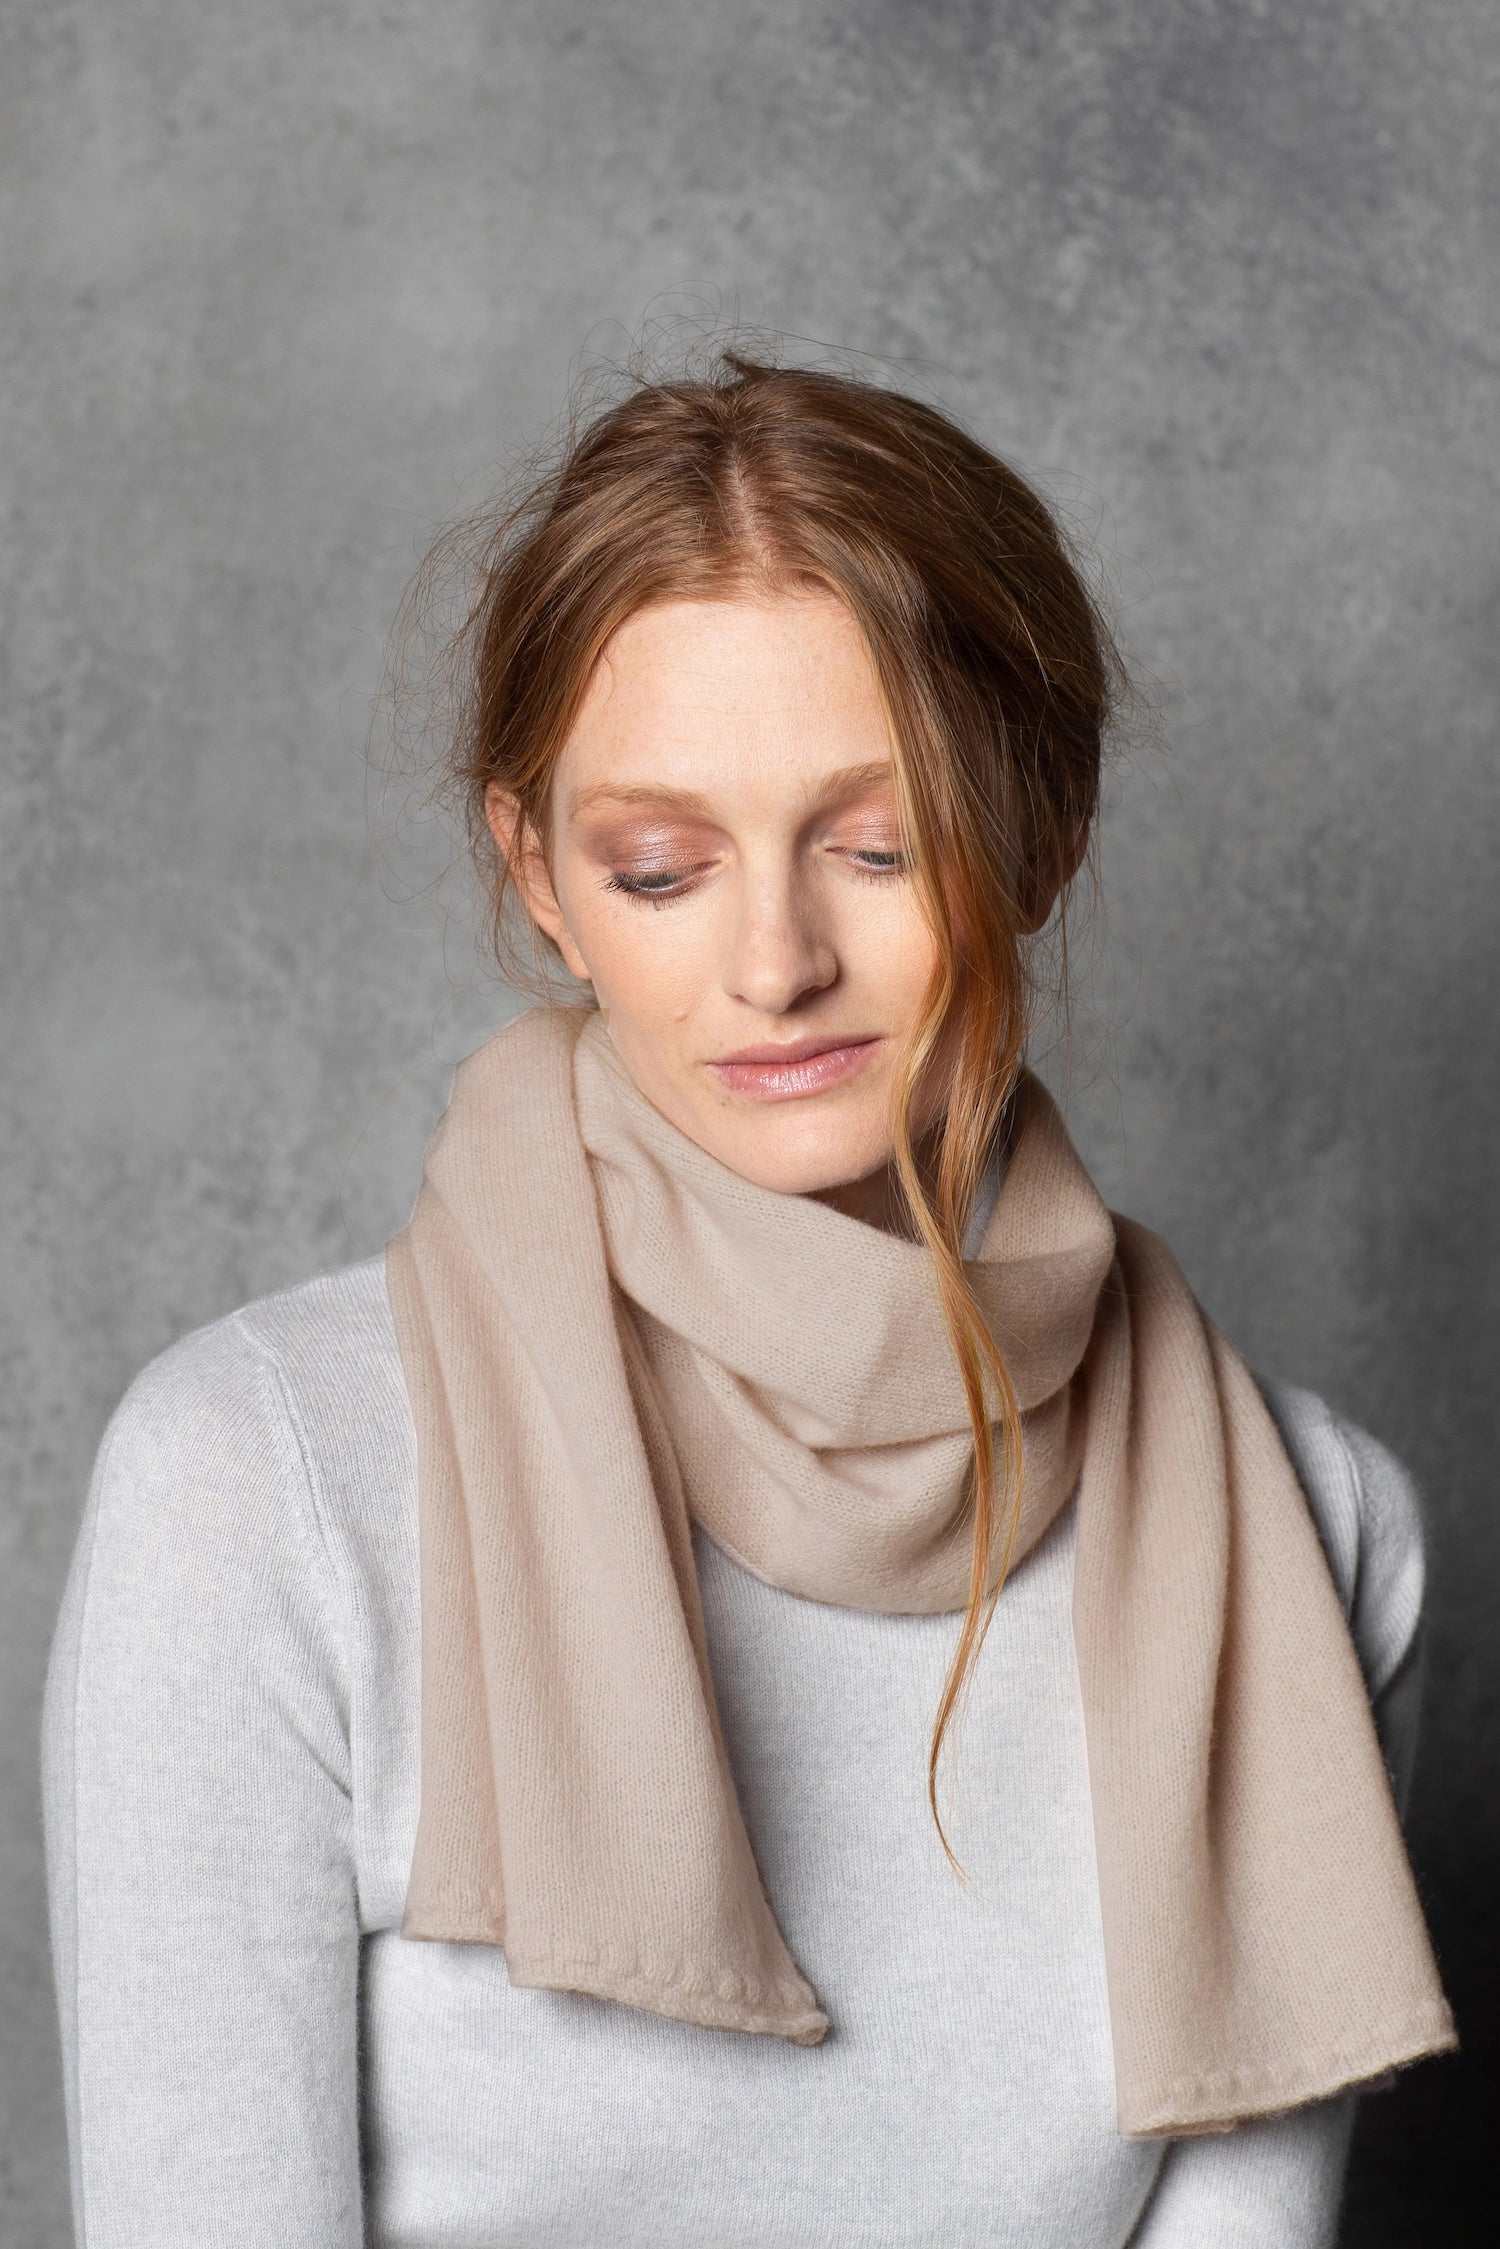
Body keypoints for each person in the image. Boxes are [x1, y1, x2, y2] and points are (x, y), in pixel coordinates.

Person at [41, 352, 1455, 2248]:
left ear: (1044, 834)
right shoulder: (261, 1487)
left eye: (878, 846)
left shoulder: (1317, 1527)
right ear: (538, 877)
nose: (776, 959)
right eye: (658, 865)